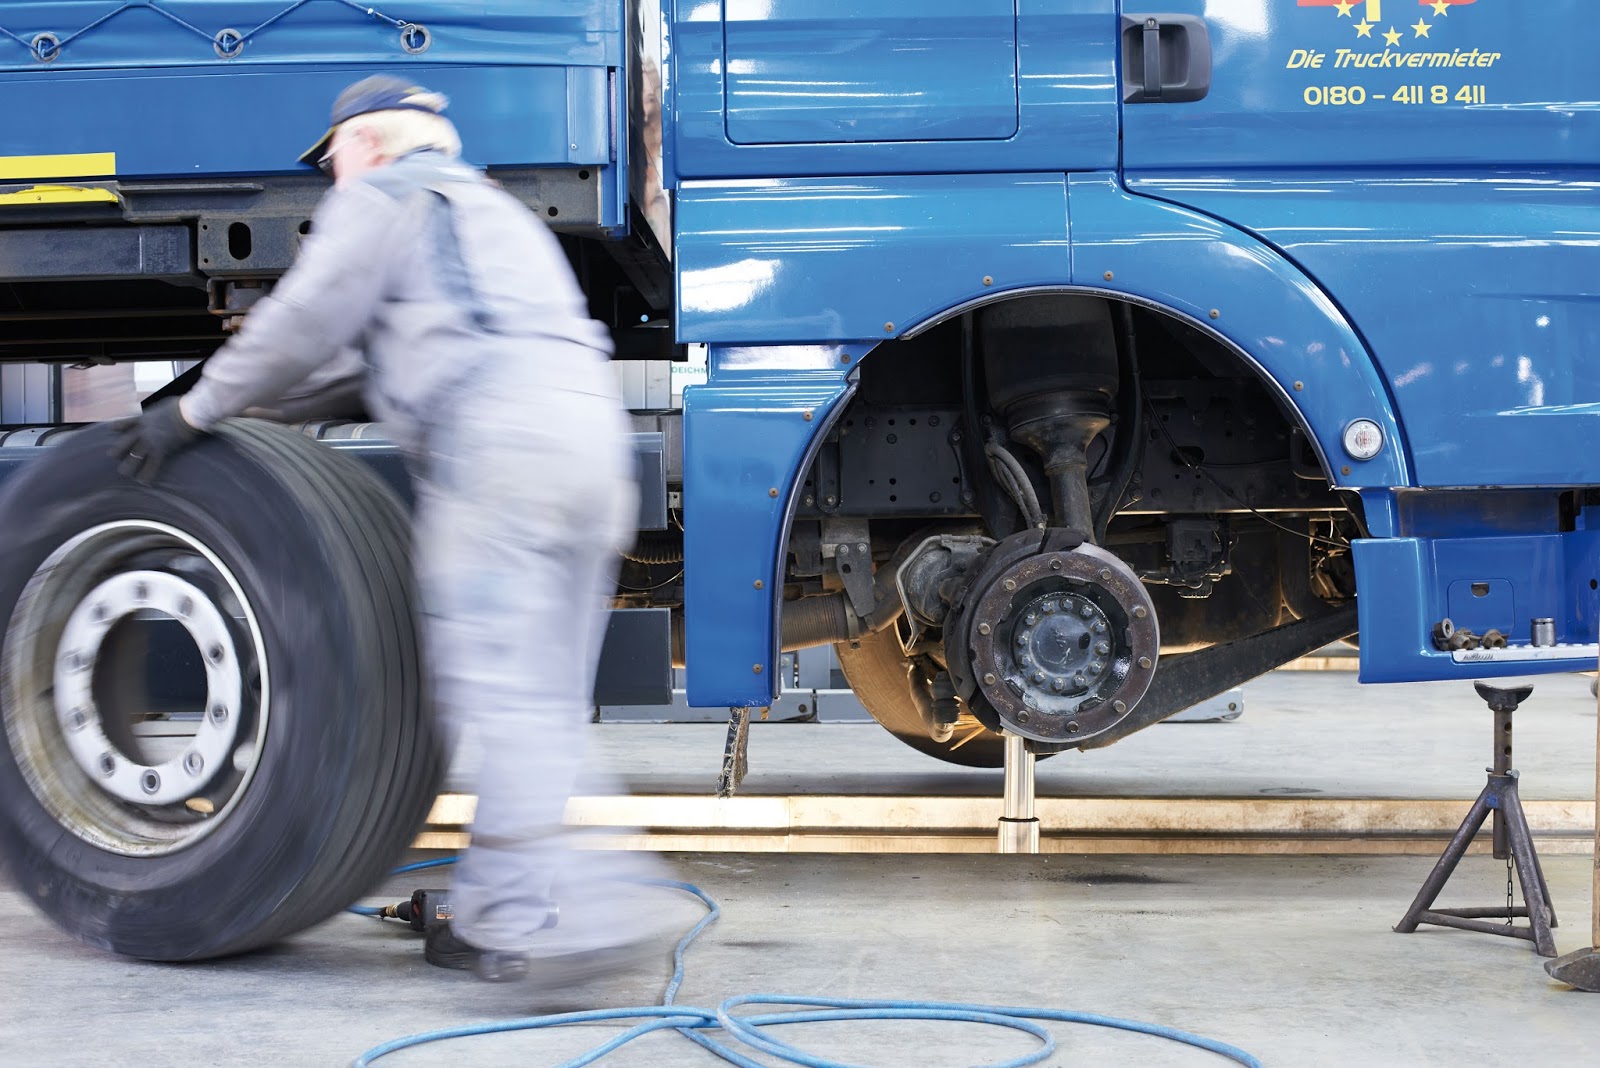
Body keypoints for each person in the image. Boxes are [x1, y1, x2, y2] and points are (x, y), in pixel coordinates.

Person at [115, 76, 663, 984]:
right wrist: (256, 417)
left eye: (331, 160)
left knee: (504, 694)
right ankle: (504, 920)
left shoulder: (381, 197)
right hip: (590, 448)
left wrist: (194, 412)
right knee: (546, 703)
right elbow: (360, 368)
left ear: (364, 143)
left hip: (497, 456)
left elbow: (300, 324)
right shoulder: (491, 213)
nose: (332, 179)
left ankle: (597, 910)